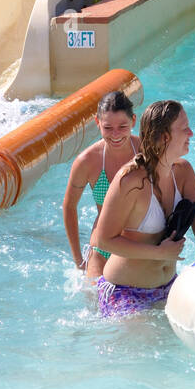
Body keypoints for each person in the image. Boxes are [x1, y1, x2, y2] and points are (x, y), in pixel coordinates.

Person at [92, 99, 195, 317]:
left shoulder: (183, 172)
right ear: (165, 136)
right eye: (184, 128)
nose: (191, 133)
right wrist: (158, 253)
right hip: (125, 292)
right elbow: (102, 240)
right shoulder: (129, 181)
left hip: (169, 286)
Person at [62, 91, 141, 281]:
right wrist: (78, 260)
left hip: (142, 242)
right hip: (103, 245)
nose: (115, 135)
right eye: (107, 127)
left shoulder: (146, 151)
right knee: (94, 302)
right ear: (97, 123)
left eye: (122, 126)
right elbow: (69, 206)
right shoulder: (87, 161)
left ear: (133, 121)